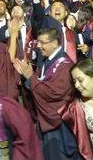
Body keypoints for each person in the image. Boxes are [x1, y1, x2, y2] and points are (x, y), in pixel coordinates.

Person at [13, 27, 77, 159]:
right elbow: (40, 84)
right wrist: (27, 77)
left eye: (43, 43)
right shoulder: (48, 60)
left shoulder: (65, 65)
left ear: (54, 43)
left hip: (58, 124)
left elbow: (53, 94)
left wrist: (31, 77)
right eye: (38, 42)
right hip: (45, 121)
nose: (39, 46)